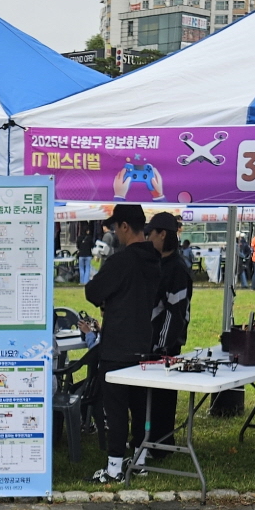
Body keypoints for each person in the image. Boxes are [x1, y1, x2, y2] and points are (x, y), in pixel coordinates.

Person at [83, 203, 163, 483]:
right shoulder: (155, 260)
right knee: (140, 407)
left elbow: (93, 291)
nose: (115, 232)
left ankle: (115, 468)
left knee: (115, 409)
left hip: (118, 344)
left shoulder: (121, 260)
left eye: (116, 227)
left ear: (125, 226)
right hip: (144, 343)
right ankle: (140, 459)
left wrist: (108, 299)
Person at [145, 211, 193, 450]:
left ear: (163, 234)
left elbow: (176, 312)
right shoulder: (160, 262)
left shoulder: (176, 268)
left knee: (163, 398)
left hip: (166, 344)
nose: (148, 238)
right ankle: (150, 441)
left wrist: (160, 345)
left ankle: (161, 445)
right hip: (154, 340)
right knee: (151, 397)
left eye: (151, 234)